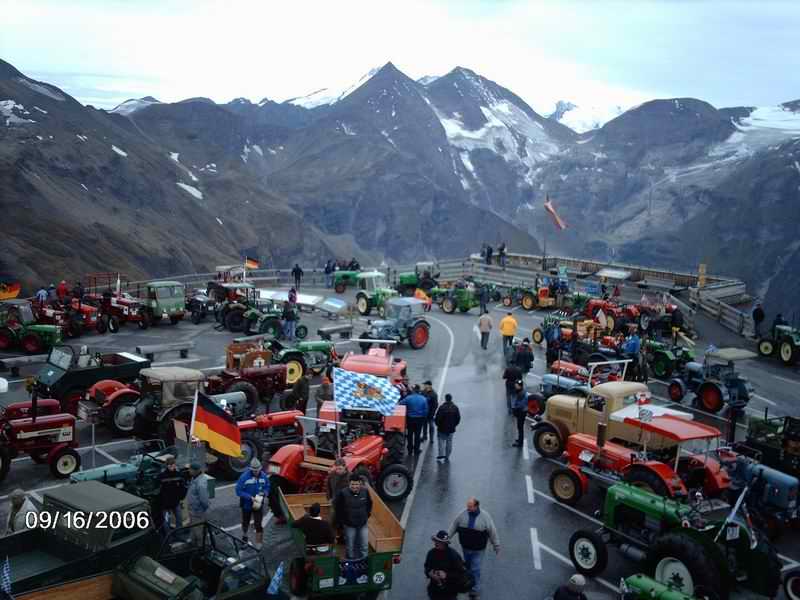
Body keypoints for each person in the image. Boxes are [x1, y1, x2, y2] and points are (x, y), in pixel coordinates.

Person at [448, 498, 500, 599]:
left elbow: (492, 531)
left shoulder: (485, 517)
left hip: (478, 549)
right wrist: (447, 538)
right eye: (467, 506)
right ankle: (468, 581)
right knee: (468, 566)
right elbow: (454, 525)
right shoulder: (462, 515)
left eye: (470, 506)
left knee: (475, 568)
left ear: (476, 506)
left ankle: (474, 590)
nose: (468, 508)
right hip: (466, 547)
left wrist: (496, 545)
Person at [334, 473, 372, 560]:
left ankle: (364, 560)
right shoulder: (343, 493)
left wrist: (367, 515)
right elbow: (338, 509)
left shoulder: (365, 491)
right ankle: (351, 560)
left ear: (360, 483)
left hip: (363, 524)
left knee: (364, 545)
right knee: (350, 545)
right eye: (352, 484)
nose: (355, 486)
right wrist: (344, 521)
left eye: (356, 484)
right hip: (349, 525)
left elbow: (369, 504)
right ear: (349, 483)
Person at [236, 458, 270, 546]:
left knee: (258, 523)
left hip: (258, 501)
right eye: (254, 471)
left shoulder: (264, 476)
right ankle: (244, 536)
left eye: (258, 470)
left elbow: (267, 486)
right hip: (246, 503)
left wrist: (264, 493)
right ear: (251, 469)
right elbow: (238, 491)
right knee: (245, 522)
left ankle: (259, 544)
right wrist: (250, 497)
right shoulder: (244, 477)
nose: (256, 472)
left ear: (260, 469)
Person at [424, 531, 467, 600]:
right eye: (436, 540)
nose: (436, 543)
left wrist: (446, 575)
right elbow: (427, 567)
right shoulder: (431, 553)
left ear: (445, 543)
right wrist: (429, 573)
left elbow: (461, 574)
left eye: (439, 542)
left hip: (450, 592)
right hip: (434, 590)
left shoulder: (453, 555)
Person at [158, 456, 187, 532]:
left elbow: (183, 487)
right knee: (166, 521)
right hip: (165, 504)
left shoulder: (179, 475)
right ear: (167, 465)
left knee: (179, 518)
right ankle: (168, 536)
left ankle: (178, 532)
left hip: (175, 502)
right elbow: (158, 490)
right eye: (169, 465)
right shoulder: (161, 476)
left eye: (172, 464)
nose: (171, 466)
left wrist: (181, 498)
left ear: (175, 464)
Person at [400, 384, 428, 455]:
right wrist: (423, 418)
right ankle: (416, 450)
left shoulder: (408, 398)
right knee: (417, 435)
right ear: (419, 390)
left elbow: (400, 403)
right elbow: (426, 411)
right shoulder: (423, 399)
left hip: (410, 419)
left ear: (414, 390)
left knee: (410, 434)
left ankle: (409, 450)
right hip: (419, 419)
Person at [186, 462, 210, 545]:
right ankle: (193, 542)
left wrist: (199, 510)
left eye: (190, 469)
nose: (189, 471)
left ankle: (202, 547)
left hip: (198, 513)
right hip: (193, 511)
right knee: (194, 529)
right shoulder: (194, 478)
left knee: (199, 532)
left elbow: (204, 501)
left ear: (195, 471)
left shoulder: (200, 484)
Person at [435, 393, 461, 462]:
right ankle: (447, 455)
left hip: (442, 428)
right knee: (449, 442)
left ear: (445, 399)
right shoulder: (455, 407)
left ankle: (441, 454)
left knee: (441, 441)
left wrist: (438, 425)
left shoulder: (442, 407)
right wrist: (454, 425)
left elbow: (437, 418)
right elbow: (458, 418)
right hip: (451, 428)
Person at [510, 380, 528, 447]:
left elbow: (520, 404)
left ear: (519, 386)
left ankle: (520, 442)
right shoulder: (521, 391)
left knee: (520, 427)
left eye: (516, 385)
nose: (515, 386)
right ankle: (520, 439)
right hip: (522, 411)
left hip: (521, 412)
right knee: (520, 427)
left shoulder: (521, 394)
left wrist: (515, 408)